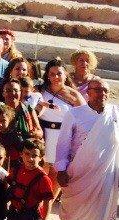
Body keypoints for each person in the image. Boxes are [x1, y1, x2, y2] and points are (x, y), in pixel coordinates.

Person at [55, 79, 119, 220]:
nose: (102, 94)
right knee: (72, 211)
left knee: (100, 212)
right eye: (97, 90)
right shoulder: (74, 114)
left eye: (105, 90)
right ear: (88, 92)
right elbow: (63, 143)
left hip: (106, 173)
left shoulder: (115, 113)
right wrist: (61, 169)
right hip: (78, 172)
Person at [36, 59, 85, 190]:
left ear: (65, 75)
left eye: (59, 73)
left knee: (57, 171)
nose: (56, 77)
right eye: (52, 74)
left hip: (62, 137)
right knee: (39, 169)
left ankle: (50, 199)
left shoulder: (74, 95)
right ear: (47, 76)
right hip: (42, 135)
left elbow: (84, 118)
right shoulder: (40, 90)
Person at [6, 139, 54, 220]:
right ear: (21, 154)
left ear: (41, 158)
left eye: (34, 155)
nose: (30, 159)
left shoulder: (43, 178)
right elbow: (8, 185)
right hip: (13, 213)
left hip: (30, 217)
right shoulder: (16, 170)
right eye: (27, 154)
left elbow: (47, 201)